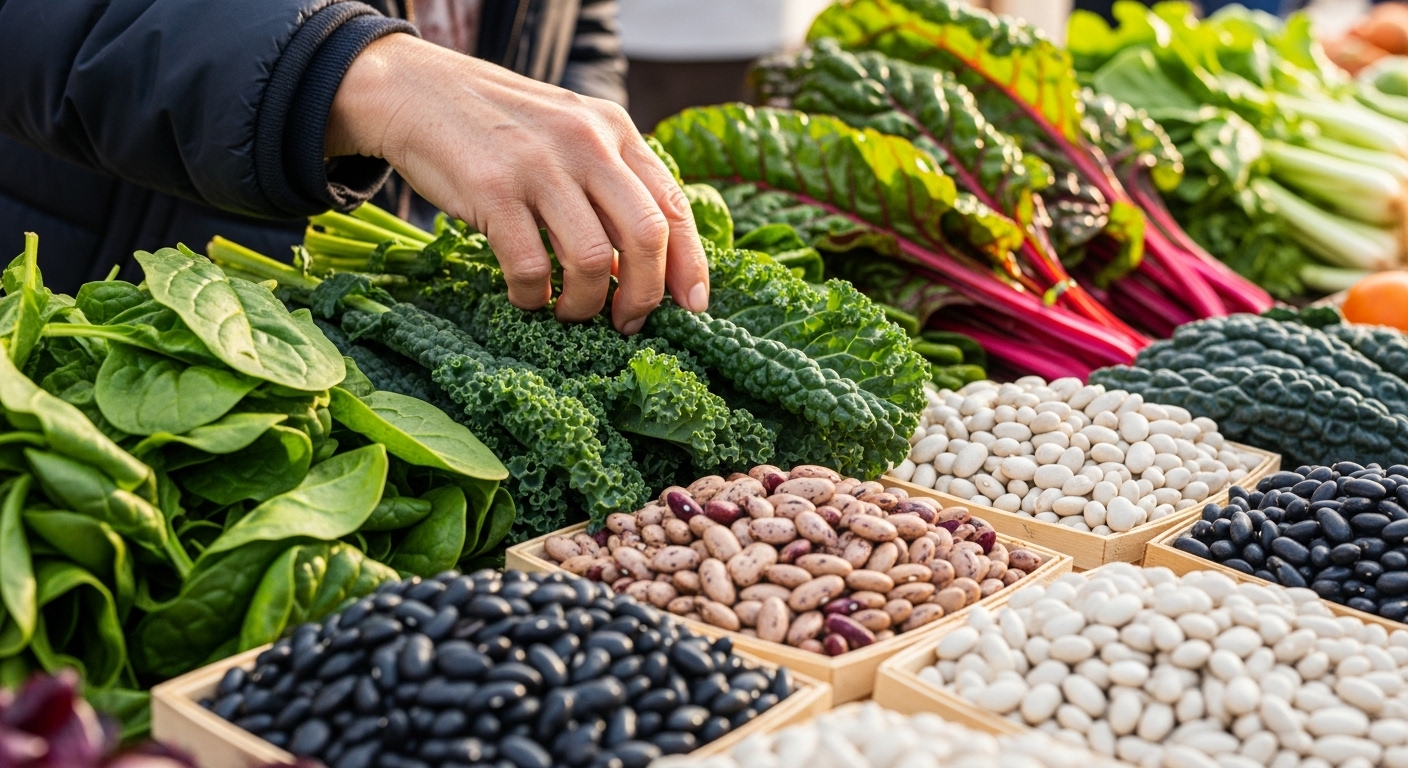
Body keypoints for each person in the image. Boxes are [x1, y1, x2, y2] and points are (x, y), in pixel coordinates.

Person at [0, 0, 707, 334]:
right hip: (95, 308)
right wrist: (343, 70)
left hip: (367, 332)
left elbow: (578, 20)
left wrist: (565, 121)